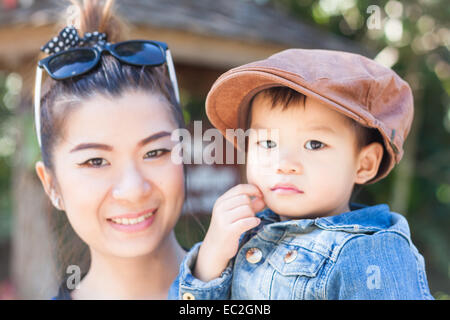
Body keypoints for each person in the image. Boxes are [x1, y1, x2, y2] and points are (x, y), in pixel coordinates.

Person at [172, 49, 434, 299]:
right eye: (268, 143)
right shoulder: (242, 235)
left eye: (314, 144)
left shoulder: (370, 253)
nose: (284, 164)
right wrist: (210, 257)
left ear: (364, 164)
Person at [34, 0, 186, 299]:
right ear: (51, 184)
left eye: (155, 152)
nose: (133, 190)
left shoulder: (268, 287)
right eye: (95, 161)